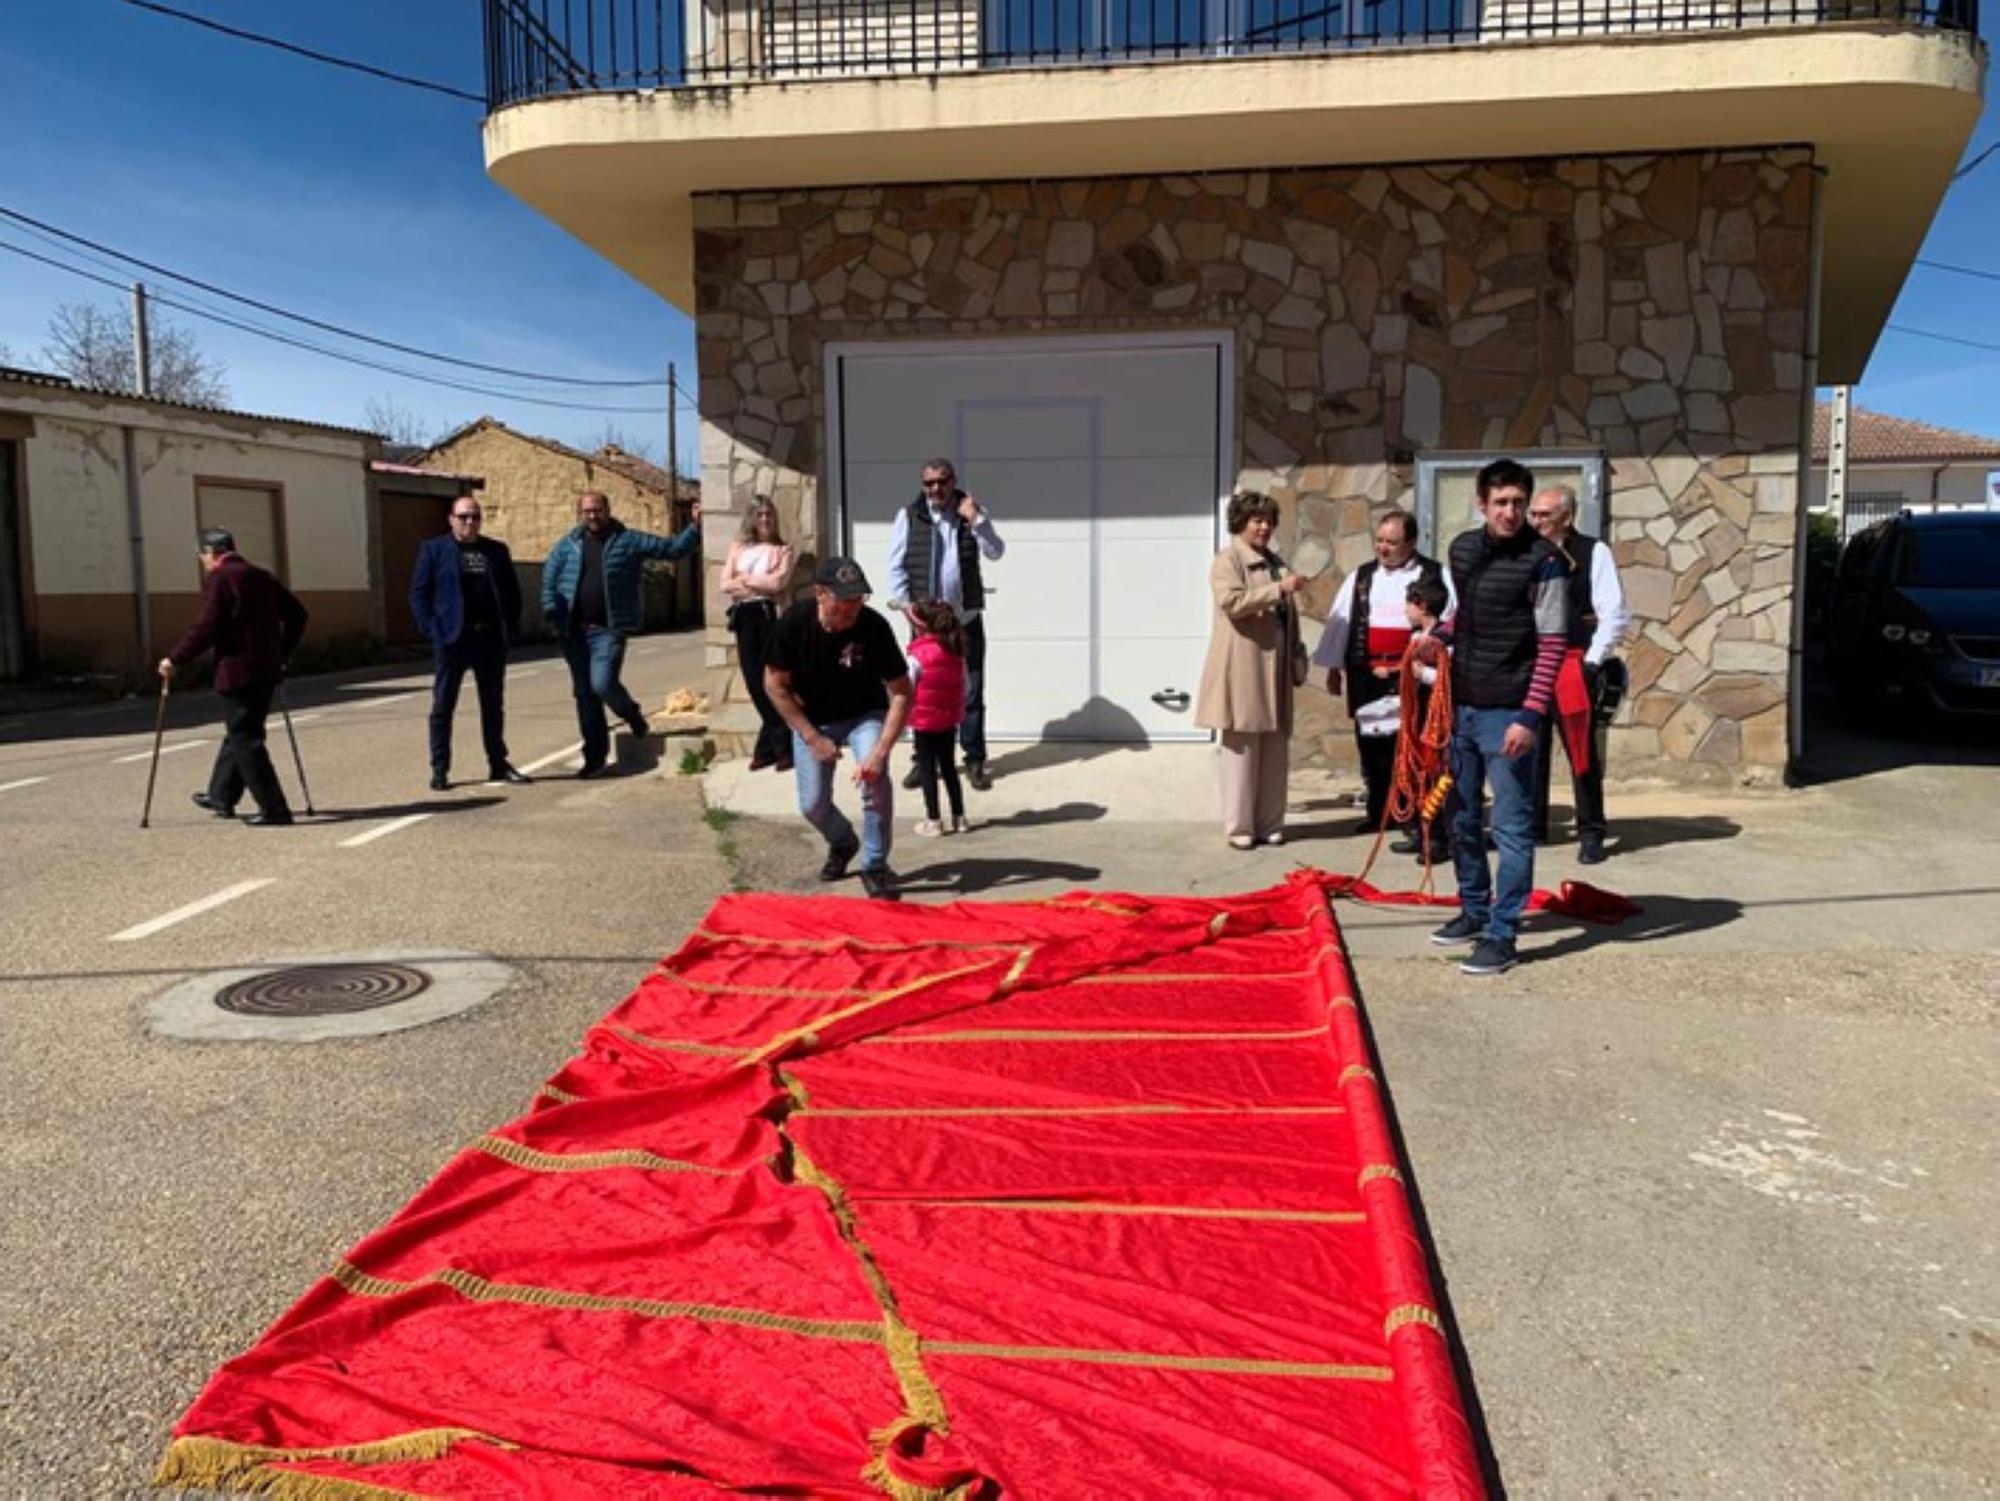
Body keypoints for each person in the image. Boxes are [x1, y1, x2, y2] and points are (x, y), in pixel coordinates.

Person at [1423, 459, 1570, 976]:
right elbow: (1464, 615)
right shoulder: (1462, 551)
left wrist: (1529, 717)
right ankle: (1473, 908)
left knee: (1510, 828)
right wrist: (1436, 640)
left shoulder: (1545, 561)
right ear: (1481, 504)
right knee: (1461, 819)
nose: (1510, 512)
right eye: (1500, 502)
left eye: (1518, 503)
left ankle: (1503, 934)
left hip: (1509, 711)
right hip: (1460, 708)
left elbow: (1552, 641)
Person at [763, 557, 914, 900]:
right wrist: (811, 736)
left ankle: (875, 864)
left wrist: (880, 752)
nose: (853, 607)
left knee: (875, 783)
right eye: (845, 599)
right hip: (814, 719)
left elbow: (903, 691)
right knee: (813, 804)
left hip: (865, 714)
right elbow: (774, 686)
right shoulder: (794, 625)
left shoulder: (873, 626)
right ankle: (843, 842)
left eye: (858, 599)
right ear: (820, 593)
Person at [1313, 509, 1453, 851]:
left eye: (1392, 542)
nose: (1383, 548)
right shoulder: (1361, 577)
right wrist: (1334, 668)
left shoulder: (1435, 575)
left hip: (1411, 677)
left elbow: (1448, 623)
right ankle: (1380, 812)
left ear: (1410, 542)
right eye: (1379, 540)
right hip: (1367, 674)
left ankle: (1416, 818)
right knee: (1372, 746)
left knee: (1411, 746)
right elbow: (1340, 623)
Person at [540, 490, 701, 778]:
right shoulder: (568, 545)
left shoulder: (628, 541)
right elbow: (550, 579)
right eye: (587, 511)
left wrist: (695, 527)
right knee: (585, 694)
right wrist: (552, 609)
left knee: (602, 684)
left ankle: (631, 713)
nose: (592, 516)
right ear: (580, 513)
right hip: (573, 632)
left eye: (597, 510)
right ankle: (595, 757)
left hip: (608, 630)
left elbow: (672, 549)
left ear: (608, 509)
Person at [159, 528, 308, 827]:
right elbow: (298, 615)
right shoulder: (261, 576)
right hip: (266, 669)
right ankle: (221, 795)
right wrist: (282, 653)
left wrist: (176, 659)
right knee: (240, 731)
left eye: (202, 557)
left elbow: (206, 626)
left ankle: (274, 809)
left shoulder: (221, 577)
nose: (203, 563)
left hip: (238, 669)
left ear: (211, 553)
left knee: (245, 739)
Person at [885, 459, 1005, 793]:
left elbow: (996, 552)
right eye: (929, 483)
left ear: (953, 482)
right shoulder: (907, 516)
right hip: (925, 625)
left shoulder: (972, 513)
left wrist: (976, 520)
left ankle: (974, 759)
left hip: (964, 619)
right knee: (922, 692)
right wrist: (906, 607)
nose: (935, 489)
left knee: (971, 689)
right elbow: (895, 568)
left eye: (942, 482)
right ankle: (924, 762)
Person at [1196, 491, 1305, 851]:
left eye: (1268, 521)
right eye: (1256, 520)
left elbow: (1289, 617)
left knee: (1275, 748)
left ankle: (1270, 823)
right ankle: (1239, 826)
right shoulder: (1227, 561)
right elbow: (1232, 602)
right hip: (1243, 667)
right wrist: (1277, 589)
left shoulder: (1276, 561)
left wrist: (1297, 656)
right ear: (1240, 523)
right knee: (1242, 749)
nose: (1264, 527)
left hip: (1275, 666)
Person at [1528, 484, 1630, 864]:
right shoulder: (1524, 552)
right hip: (1530, 663)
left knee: (1581, 749)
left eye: (1544, 515)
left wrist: (1592, 661)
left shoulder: (1593, 552)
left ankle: (1591, 831)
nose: (1536, 521)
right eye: (1534, 514)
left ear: (1566, 517)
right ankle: (1533, 828)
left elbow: (1613, 613)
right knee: (1529, 749)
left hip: (1572, 662)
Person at [409, 497, 528, 791]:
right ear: (451, 519)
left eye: (475, 517)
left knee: (492, 706)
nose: (470, 522)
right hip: (452, 640)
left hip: (489, 639)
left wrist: (508, 627)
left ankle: (498, 764)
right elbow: (418, 595)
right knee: (443, 707)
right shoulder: (434, 550)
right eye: (463, 517)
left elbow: (512, 593)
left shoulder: (496, 551)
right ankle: (440, 768)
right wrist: (432, 630)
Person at [718, 499, 797, 772]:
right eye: (760, 514)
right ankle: (777, 744)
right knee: (754, 682)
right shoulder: (738, 548)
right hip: (744, 618)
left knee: (771, 680)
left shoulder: (783, 550)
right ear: (752, 518)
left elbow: (778, 583)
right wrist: (757, 582)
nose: (765, 519)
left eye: (769, 514)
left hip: (769, 615)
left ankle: (775, 750)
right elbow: (724, 584)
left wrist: (745, 580)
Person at [905, 598, 969, 838]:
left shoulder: (916, 655)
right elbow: (966, 686)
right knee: (949, 767)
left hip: (924, 721)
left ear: (920, 627)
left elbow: (907, 688)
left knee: (928, 769)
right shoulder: (956, 650)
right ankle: (960, 817)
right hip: (949, 719)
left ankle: (933, 820)